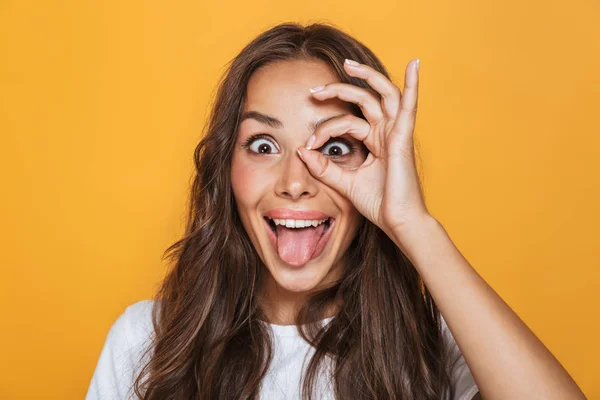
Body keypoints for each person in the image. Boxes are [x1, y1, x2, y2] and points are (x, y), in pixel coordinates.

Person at [85, 22, 586, 400]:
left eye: (334, 147)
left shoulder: (435, 339)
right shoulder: (146, 340)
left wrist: (413, 225)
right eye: (263, 145)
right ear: (225, 168)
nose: (296, 183)